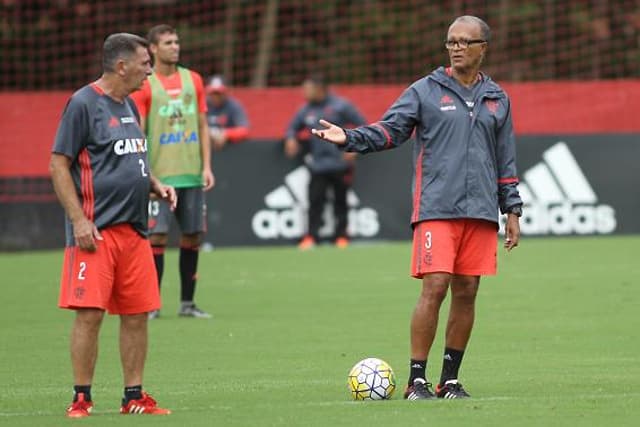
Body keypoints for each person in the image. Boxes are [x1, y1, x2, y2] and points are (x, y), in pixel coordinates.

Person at [311, 16, 523, 400]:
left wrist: (512, 209)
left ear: (483, 48)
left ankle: (450, 380)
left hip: (479, 210)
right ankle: (417, 380)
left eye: (464, 41)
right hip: (436, 207)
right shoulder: (425, 91)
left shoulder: (498, 98)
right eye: (451, 42)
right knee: (436, 286)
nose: (456, 47)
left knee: (468, 290)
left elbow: (505, 159)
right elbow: (390, 130)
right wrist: (349, 138)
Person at [50, 32, 176, 417]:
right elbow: (58, 164)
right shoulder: (83, 103)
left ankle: (133, 396)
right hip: (96, 232)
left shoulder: (130, 106)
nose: (149, 72)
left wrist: (154, 184)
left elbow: (131, 158)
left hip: (135, 230)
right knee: (90, 314)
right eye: (144, 64)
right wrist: (78, 220)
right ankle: (81, 397)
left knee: (137, 314)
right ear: (121, 66)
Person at [131, 24, 215, 319]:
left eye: (177, 41)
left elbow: (203, 125)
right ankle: (152, 305)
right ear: (153, 49)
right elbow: (138, 131)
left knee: (192, 236)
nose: (175, 47)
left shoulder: (193, 80)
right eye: (168, 42)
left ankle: (187, 304)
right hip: (160, 177)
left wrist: (206, 166)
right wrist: (144, 172)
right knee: (157, 238)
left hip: (191, 173)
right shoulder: (144, 84)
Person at [284, 74, 366, 250]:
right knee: (314, 201)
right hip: (317, 165)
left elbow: (363, 125)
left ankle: (342, 237)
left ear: (319, 89)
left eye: (307, 89)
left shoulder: (341, 105)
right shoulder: (305, 109)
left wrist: (355, 148)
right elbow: (291, 128)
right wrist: (290, 138)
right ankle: (311, 237)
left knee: (341, 202)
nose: (304, 92)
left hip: (340, 164)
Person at [205, 75, 250, 150]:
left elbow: (244, 130)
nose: (216, 97)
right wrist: (208, 134)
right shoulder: (203, 105)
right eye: (213, 93)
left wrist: (226, 134)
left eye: (219, 93)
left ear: (225, 92)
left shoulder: (233, 106)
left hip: (229, 150)